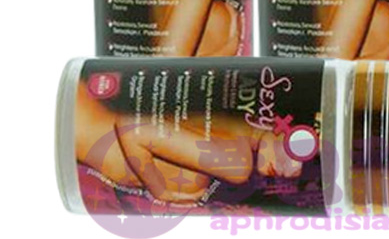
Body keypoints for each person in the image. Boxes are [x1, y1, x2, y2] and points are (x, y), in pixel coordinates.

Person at [76, 80, 303, 209]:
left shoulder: (233, 130)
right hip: (73, 123)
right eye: (301, 149)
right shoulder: (237, 163)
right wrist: (160, 191)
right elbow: (134, 127)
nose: (292, 171)